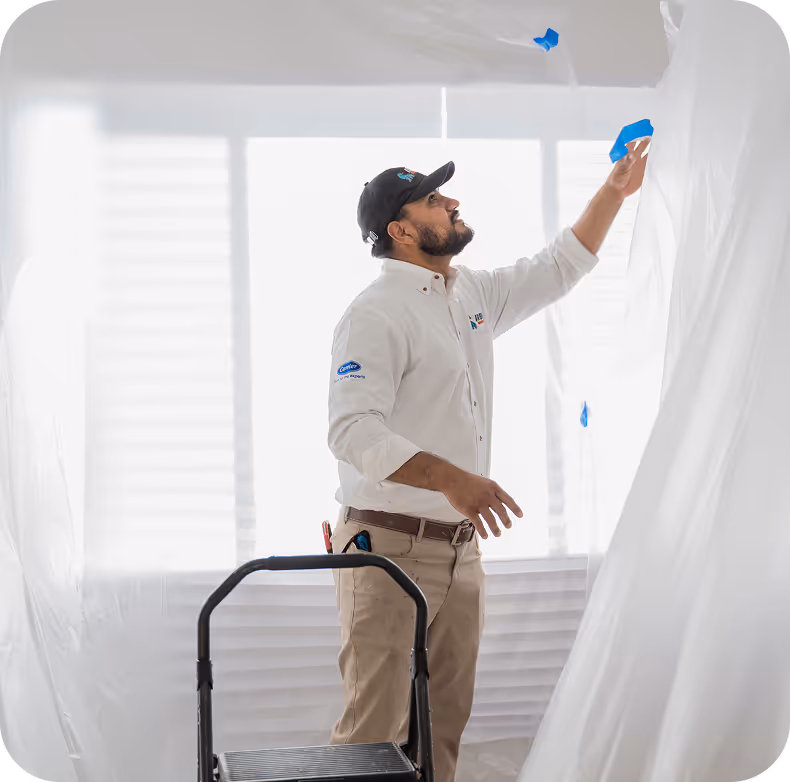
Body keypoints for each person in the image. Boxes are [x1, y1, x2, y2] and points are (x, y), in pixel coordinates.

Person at [327, 142, 649, 782]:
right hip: (386, 547)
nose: (451, 204)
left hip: (459, 549)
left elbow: (558, 266)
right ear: (402, 230)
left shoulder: (467, 292)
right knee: (374, 732)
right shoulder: (375, 312)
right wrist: (451, 477)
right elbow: (351, 429)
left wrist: (613, 192)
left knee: (444, 724)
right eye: (433, 200)